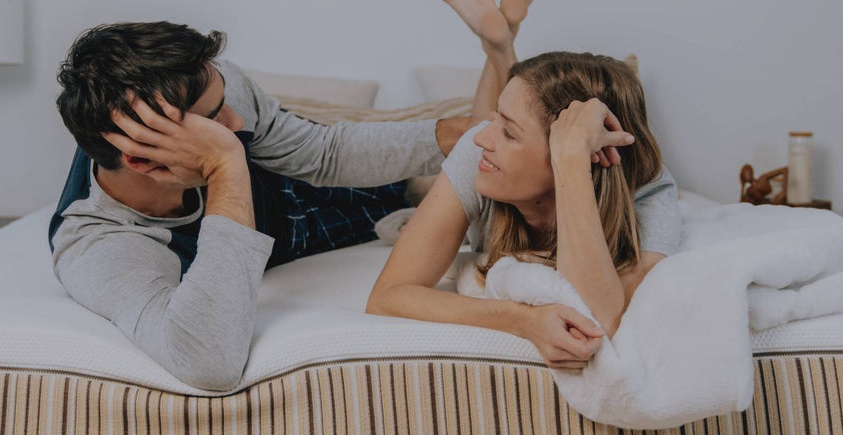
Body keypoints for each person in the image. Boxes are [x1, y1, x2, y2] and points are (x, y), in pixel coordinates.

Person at [49, 22, 473, 390]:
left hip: (288, 177)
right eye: (216, 120)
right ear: (142, 160)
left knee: (429, 174)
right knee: (401, 205)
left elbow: (321, 152)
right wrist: (227, 165)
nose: (237, 123)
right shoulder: (99, 248)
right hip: (286, 233)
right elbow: (207, 362)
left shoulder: (203, 85)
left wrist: (465, 133)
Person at [366, 0, 682, 373]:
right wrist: (522, 320)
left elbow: (599, 319)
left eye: (509, 132)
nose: (482, 138)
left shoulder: (648, 189)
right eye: (495, 119)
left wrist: (570, 161)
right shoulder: (475, 152)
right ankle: (500, 49)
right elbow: (387, 297)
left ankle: (500, 45)